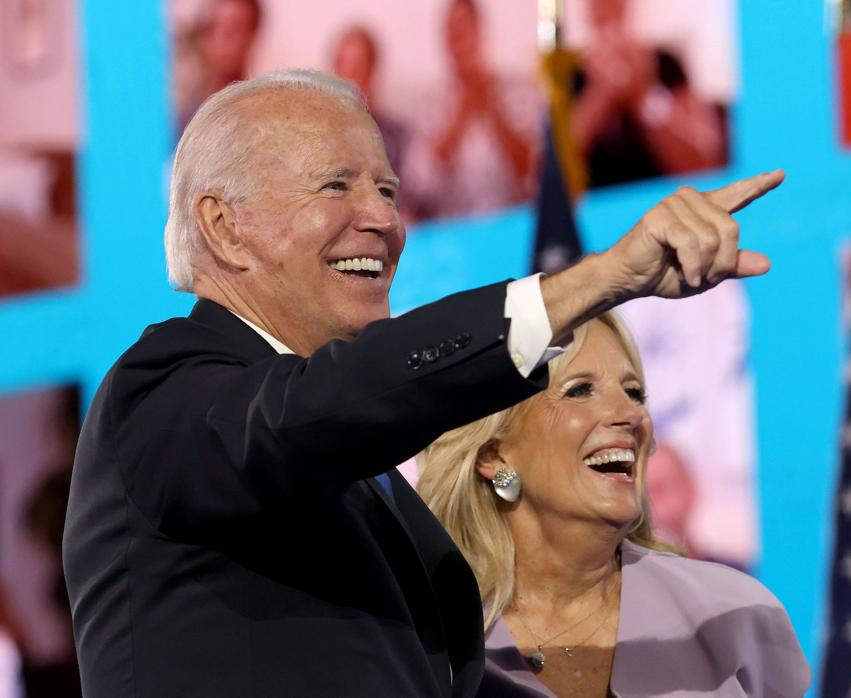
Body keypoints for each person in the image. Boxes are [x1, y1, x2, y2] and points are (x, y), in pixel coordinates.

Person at [62, 68, 783, 697]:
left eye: (386, 188)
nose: (382, 219)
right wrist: (594, 282)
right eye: (336, 185)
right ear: (224, 227)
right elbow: (320, 410)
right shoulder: (161, 396)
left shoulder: (357, 476)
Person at [416, 313, 809, 697]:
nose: (632, 414)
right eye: (580, 389)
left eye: (635, 392)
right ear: (493, 454)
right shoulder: (423, 637)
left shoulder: (734, 614)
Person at [405, 0, 538, 220]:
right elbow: (421, 185)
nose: (459, 40)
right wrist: (461, 114)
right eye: (452, 32)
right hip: (454, 231)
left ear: (480, 33)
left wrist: (492, 108)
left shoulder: (517, 92)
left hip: (513, 222)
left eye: (465, 29)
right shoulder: (429, 105)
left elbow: (534, 172)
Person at [573, 0, 726, 188]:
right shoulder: (570, 78)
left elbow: (705, 163)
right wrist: (601, 94)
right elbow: (550, 175)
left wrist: (645, 95)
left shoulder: (666, 64)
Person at [329, 25, 410, 217]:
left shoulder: (397, 137)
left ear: (372, 71)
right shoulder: (320, 141)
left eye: (356, 68)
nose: (347, 79)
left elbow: (410, 205)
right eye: (342, 66)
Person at [176, 0, 262, 134]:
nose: (221, 40)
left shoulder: (262, 117)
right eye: (212, 30)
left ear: (252, 34)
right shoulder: (183, 121)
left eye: (234, 30)